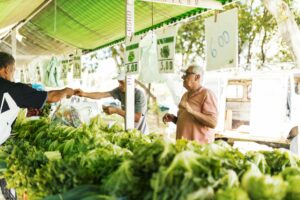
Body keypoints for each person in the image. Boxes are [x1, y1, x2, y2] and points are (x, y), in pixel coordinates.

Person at [0, 52, 75, 144]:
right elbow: (52, 97)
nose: (13, 75)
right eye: (13, 70)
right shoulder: (13, 89)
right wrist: (66, 91)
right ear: (6, 69)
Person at [74, 71, 148, 134]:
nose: (119, 85)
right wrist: (84, 94)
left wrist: (116, 110)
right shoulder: (120, 91)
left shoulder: (139, 94)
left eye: (122, 83)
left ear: (130, 82)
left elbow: (136, 118)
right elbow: (102, 95)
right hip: (129, 132)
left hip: (141, 133)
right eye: (119, 82)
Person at [162, 64, 218, 144]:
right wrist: (174, 119)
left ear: (197, 77)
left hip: (198, 150)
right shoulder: (185, 95)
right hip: (183, 148)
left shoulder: (207, 94)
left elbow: (213, 122)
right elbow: (188, 121)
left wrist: (191, 111)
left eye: (187, 74)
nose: (182, 77)